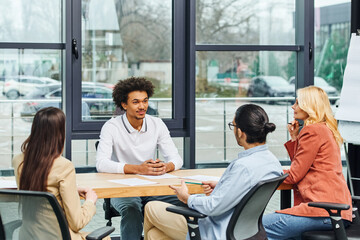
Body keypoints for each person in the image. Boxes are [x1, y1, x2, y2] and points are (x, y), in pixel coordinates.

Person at [143, 104, 283, 240]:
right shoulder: (273, 162)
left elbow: (212, 207)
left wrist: (186, 197)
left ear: (240, 132)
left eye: (233, 125)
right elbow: (247, 192)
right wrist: (222, 186)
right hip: (245, 232)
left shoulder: (243, 167)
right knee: (156, 236)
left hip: (217, 231)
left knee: (151, 207)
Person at [96, 77, 184, 239]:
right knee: (132, 209)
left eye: (145, 101)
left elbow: (176, 158)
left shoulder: (157, 124)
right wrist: (138, 169)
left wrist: (167, 167)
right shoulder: (111, 127)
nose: (142, 106)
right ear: (124, 104)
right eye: (136, 102)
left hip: (152, 186)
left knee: (188, 200)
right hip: (122, 188)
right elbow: (101, 164)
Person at [262, 86, 352, 239]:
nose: (293, 106)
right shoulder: (325, 129)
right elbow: (303, 165)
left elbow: (294, 175)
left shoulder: (313, 131)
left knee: (250, 227)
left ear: (309, 105)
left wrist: (262, 173)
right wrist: (295, 138)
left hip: (323, 211)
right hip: (335, 211)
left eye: (298, 102)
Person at [12, 107, 103, 240]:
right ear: (59, 133)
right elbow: (77, 223)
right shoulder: (64, 166)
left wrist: (72, 190)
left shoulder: (19, 161)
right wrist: (90, 202)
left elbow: (37, 188)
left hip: (28, 236)